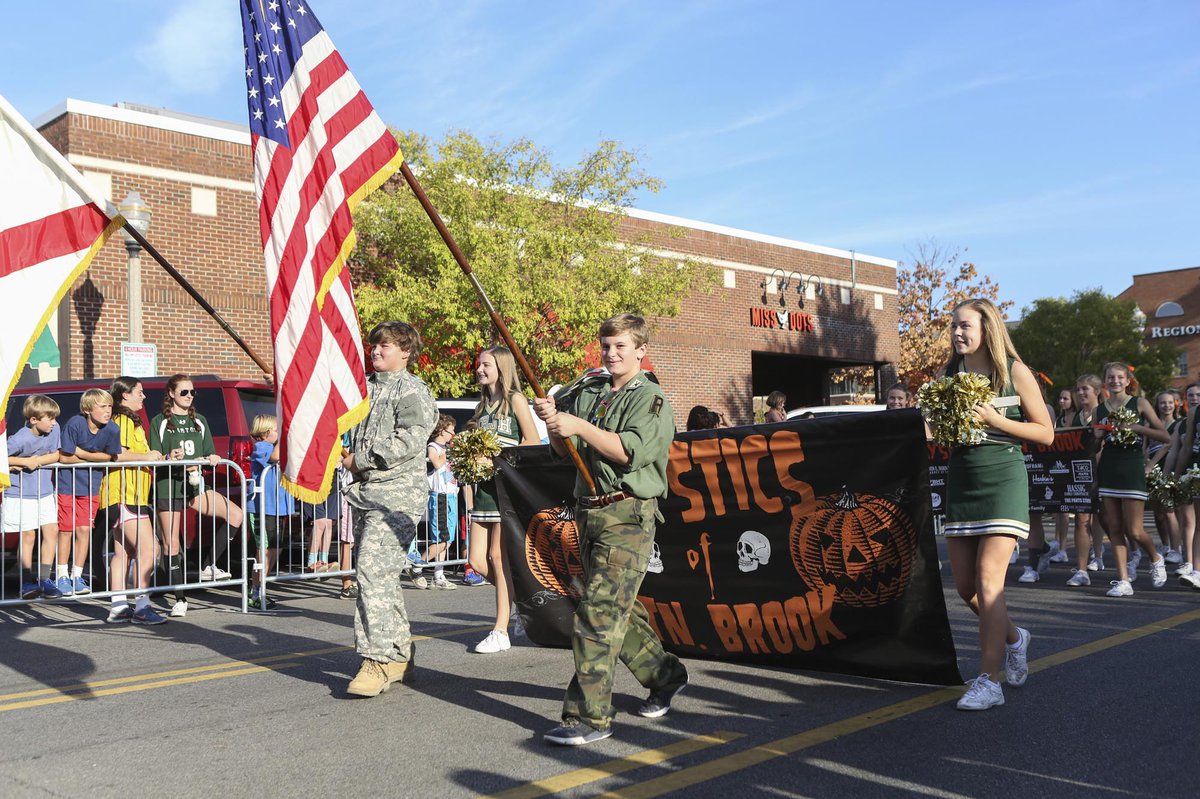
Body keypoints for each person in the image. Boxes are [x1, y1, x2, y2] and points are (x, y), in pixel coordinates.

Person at [533, 313, 689, 745]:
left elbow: (628, 452)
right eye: (606, 346)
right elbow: (567, 452)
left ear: (641, 350)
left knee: (598, 616)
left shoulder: (651, 399)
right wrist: (555, 422)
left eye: (621, 346)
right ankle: (666, 676)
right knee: (619, 611)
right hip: (590, 514)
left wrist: (579, 425)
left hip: (627, 517)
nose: (611, 353)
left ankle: (590, 718)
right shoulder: (591, 392)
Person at [937, 299, 1053, 711]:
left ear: (988, 328)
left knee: (990, 583)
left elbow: (1045, 433)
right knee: (967, 588)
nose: (957, 334)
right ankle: (1015, 637)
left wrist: (996, 420)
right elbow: (939, 431)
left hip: (1003, 480)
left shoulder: (1014, 371)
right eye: (953, 327)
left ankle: (989, 680)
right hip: (962, 482)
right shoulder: (948, 374)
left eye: (965, 326)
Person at [341, 321, 437, 697]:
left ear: (405, 352)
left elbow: (411, 439)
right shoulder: (363, 388)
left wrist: (361, 460)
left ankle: (379, 660)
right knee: (379, 579)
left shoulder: (412, 391)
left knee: (370, 571)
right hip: (366, 495)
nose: (376, 351)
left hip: (397, 498)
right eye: (374, 346)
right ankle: (400, 653)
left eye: (385, 346)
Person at [149, 374, 245, 618]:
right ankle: (180, 599)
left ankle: (207, 565)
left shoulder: (200, 421)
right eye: (184, 392)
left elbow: (210, 453)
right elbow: (154, 457)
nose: (189, 396)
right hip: (168, 485)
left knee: (236, 514)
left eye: (192, 392)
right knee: (171, 543)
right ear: (171, 394)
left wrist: (211, 459)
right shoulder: (159, 421)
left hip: (194, 487)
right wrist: (170, 457)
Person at [466, 345, 540, 654]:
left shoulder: (515, 400)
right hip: (482, 489)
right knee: (476, 561)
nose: (480, 369)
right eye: (479, 365)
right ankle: (524, 605)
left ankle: (500, 630)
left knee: (498, 557)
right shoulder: (483, 405)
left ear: (502, 368)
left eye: (486, 365)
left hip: (503, 488)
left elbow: (533, 441)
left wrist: (497, 460)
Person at [1093, 362, 1169, 597]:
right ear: (1105, 382)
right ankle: (1123, 580)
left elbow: (1165, 436)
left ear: (1127, 381)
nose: (1115, 381)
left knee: (1134, 530)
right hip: (1109, 469)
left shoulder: (1140, 403)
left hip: (1132, 468)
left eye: (1119, 377)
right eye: (1110, 377)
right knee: (1114, 527)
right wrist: (1096, 437)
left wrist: (1136, 427)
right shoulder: (1100, 409)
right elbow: (1096, 444)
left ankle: (1156, 558)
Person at [98, 377, 166, 625]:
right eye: (140, 392)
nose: (144, 396)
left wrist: (161, 456)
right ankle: (142, 605)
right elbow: (120, 453)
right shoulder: (124, 419)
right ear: (125, 395)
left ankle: (118, 606)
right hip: (126, 494)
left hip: (121, 495)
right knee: (149, 549)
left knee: (123, 552)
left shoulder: (121, 419)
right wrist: (147, 455)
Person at [56, 389, 123, 596]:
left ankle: (77, 575)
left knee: (85, 530)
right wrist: (96, 456)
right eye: (102, 406)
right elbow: (65, 457)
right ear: (87, 409)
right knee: (66, 530)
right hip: (67, 485)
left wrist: (83, 453)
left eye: (110, 406)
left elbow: (112, 457)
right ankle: (61, 575)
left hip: (91, 487)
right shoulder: (75, 424)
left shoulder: (112, 429)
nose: (108, 411)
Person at [4, 395, 63, 600]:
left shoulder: (54, 430)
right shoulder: (19, 438)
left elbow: (57, 454)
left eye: (54, 418)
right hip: (21, 493)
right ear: (34, 420)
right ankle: (26, 581)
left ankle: (45, 579)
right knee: (28, 536)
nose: (54, 422)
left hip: (45, 490)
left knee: (51, 531)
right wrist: (21, 461)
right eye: (50, 418)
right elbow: (3, 457)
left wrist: (36, 461)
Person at [247, 414, 292, 610]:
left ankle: (262, 586)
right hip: (262, 508)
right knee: (263, 550)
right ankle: (255, 590)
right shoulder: (261, 447)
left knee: (276, 549)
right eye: (276, 430)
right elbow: (274, 457)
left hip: (278, 506)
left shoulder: (275, 446)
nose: (278, 433)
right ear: (265, 433)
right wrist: (286, 436)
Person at [1065, 374, 1105, 586]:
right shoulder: (1075, 416)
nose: (1080, 393)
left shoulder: (1103, 412)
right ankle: (1081, 570)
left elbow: (1104, 445)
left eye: (1085, 389)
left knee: (1109, 521)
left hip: (1102, 471)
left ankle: (1105, 556)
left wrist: (1093, 466)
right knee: (1081, 519)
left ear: (1096, 391)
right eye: (1078, 389)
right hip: (1082, 475)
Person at [413, 414, 459, 590]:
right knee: (440, 540)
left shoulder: (447, 447)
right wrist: (447, 452)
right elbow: (437, 463)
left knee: (447, 540)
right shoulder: (433, 447)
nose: (452, 435)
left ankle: (439, 574)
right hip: (439, 497)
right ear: (441, 430)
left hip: (451, 496)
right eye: (451, 431)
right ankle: (418, 565)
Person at [1147, 390, 1184, 564]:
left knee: (1171, 511)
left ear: (1175, 404)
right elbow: (1145, 446)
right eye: (1162, 402)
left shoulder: (1178, 424)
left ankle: (1177, 548)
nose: (1166, 406)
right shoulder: (1151, 424)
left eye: (1170, 402)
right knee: (1159, 514)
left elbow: (1169, 448)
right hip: (1152, 473)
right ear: (1157, 405)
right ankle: (1165, 544)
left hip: (1169, 470)